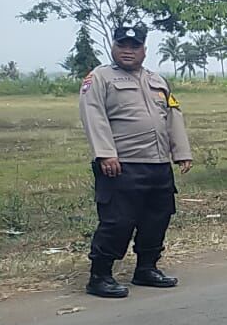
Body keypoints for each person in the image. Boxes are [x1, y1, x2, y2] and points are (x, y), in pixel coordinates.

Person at [78, 24, 193, 298]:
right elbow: (93, 115)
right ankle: (100, 275)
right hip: (121, 164)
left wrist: (182, 152)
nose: (128, 51)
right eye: (123, 45)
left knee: (158, 218)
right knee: (118, 221)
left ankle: (146, 268)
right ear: (114, 47)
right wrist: (106, 153)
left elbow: (173, 115)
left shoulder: (158, 80)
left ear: (144, 50)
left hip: (157, 164)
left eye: (134, 46)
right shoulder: (100, 78)